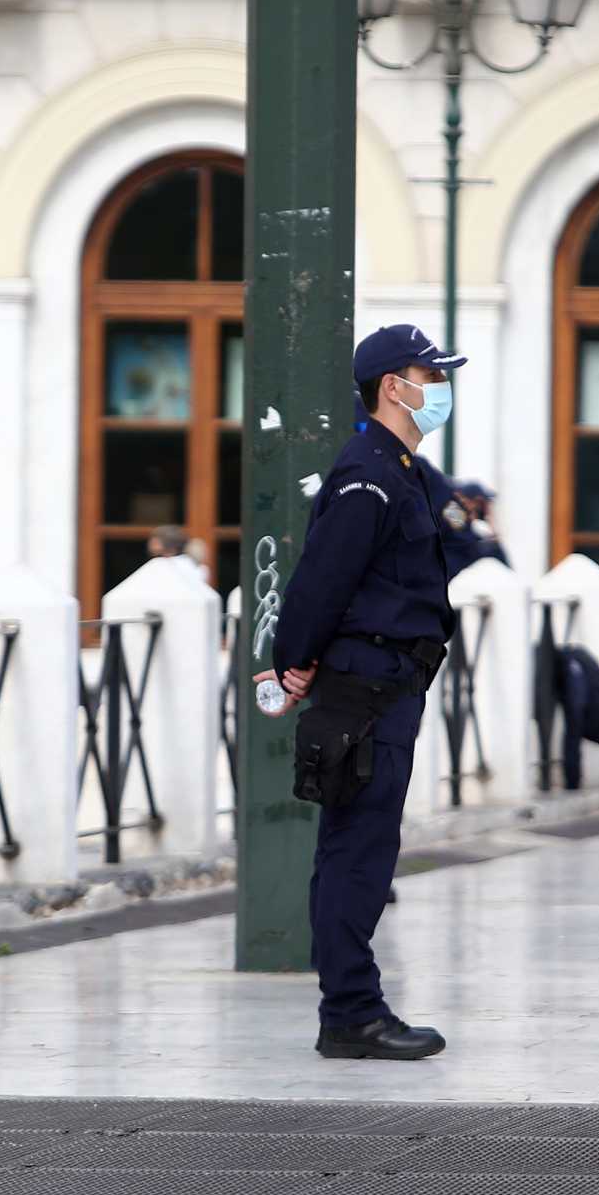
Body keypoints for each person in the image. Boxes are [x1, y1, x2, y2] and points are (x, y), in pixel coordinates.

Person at [256, 322, 460, 1062]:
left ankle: (354, 1008)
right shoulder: (368, 473)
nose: (438, 388)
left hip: (388, 685)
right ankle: (350, 1012)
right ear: (390, 388)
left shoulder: (398, 467)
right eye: (427, 376)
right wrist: (295, 660)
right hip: (363, 688)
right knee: (356, 852)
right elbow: (320, 578)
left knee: (368, 848)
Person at [442, 480, 510, 573]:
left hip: (453, 561)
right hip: (445, 566)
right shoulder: (452, 510)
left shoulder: (462, 515)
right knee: (494, 548)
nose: (484, 507)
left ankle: (513, 579)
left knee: (492, 546)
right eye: (482, 503)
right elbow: (464, 541)